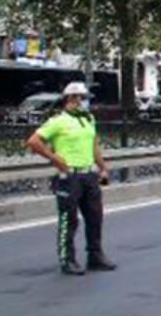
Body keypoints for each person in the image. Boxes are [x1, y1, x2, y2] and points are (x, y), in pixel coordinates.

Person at [25, 82, 117, 276]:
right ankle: (67, 259)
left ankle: (95, 256)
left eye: (85, 98)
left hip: (88, 174)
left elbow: (94, 146)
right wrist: (54, 158)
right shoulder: (58, 121)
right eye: (81, 98)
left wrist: (102, 167)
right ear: (71, 98)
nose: (84, 102)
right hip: (69, 176)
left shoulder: (88, 119)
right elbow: (34, 141)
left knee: (95, 217)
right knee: (69, 219)